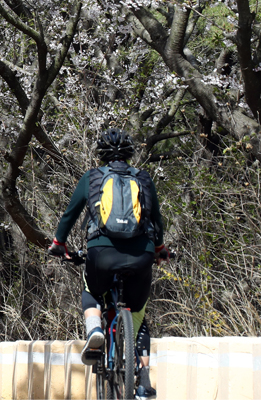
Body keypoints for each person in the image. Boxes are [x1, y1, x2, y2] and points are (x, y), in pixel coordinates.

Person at [49, 128, 171, 399]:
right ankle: (143, 380)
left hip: (101, 253)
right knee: (137, 315)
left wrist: (59, 244)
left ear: (101, 156)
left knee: (91, 291)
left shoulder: (92, 178)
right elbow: (157, 221)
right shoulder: (143, 178)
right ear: (130, 154)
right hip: (142, 255)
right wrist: (160, 249)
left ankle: (95, 332)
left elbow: (70, 215)